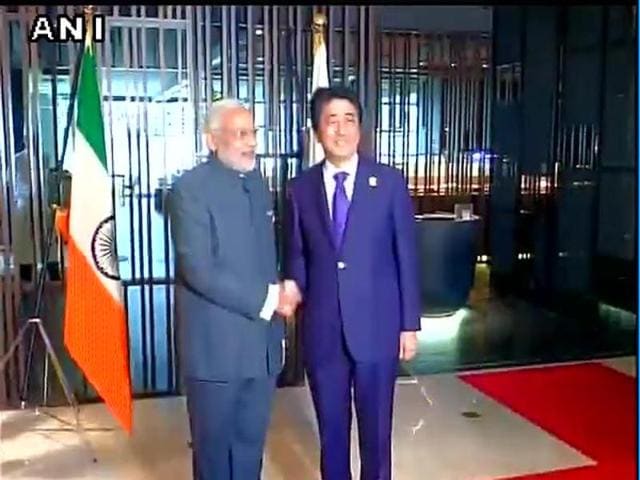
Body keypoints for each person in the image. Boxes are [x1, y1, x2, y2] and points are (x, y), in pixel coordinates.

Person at [284, 86, 421, 480]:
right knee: (332, 435)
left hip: (378, 330)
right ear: (316, 131)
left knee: (377, 436)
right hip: (323, 332)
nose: (341, 130)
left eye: (349, 120)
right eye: (331, 121)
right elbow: (296, 253)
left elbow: (406, 256)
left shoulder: (389, 183)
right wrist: (294, 291)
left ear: (361, 128)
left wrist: (409, 324)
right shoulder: (300, 188)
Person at [168, 98, 300, 480]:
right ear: (212, 140)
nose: (251, 142)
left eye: (253, 133)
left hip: (260, 349)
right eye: (240, 134)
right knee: (213, 455)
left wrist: (281, 287)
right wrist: (269, 298)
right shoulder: (189, 189)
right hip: (215, 350)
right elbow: (199, 270)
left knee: (249, 449)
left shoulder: (256, 183)